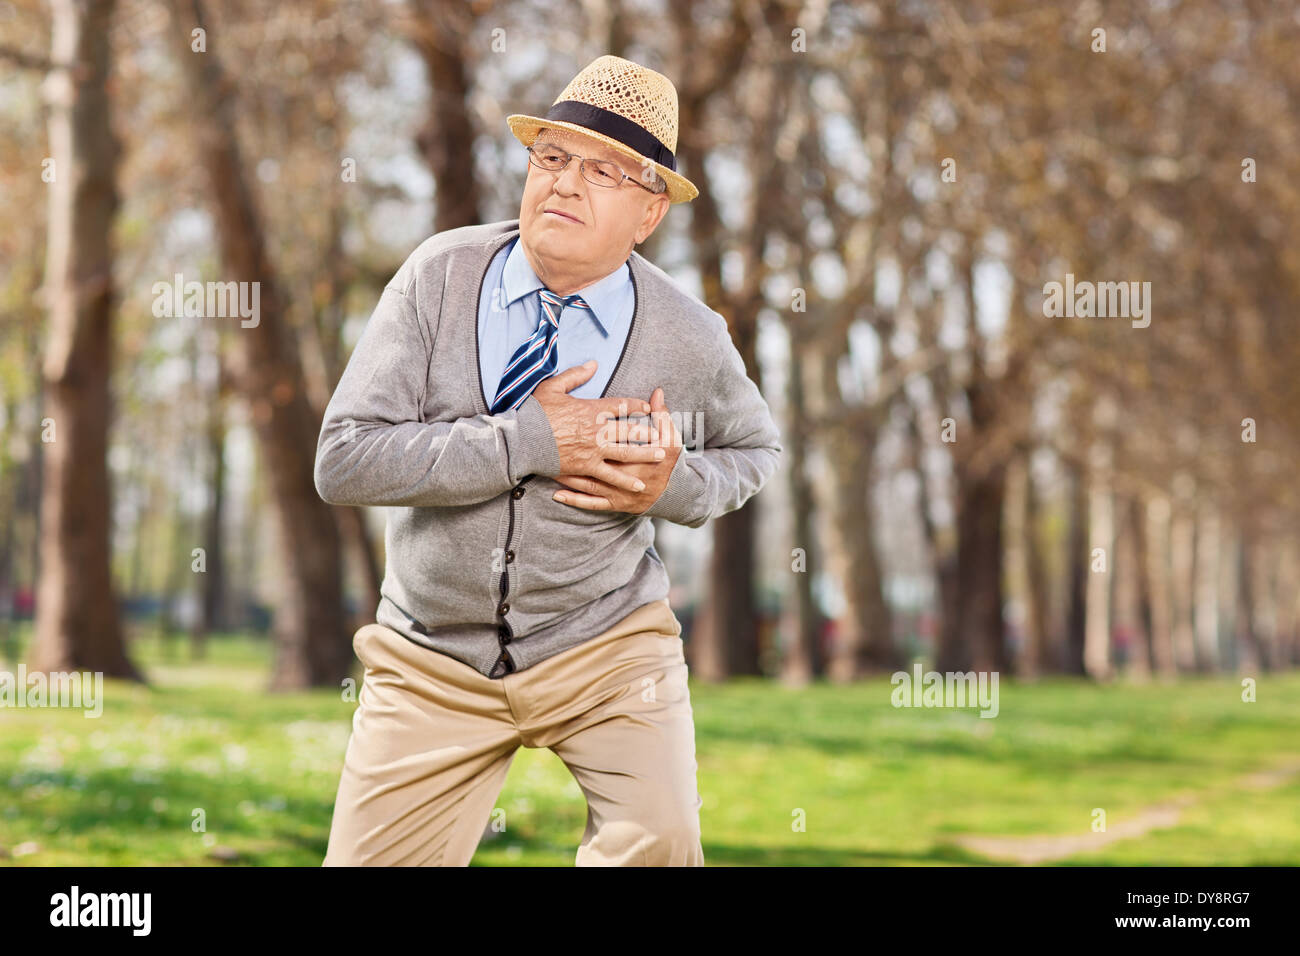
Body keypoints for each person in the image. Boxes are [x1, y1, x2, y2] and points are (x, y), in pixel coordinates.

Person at [315, 54, 781, 866]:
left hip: (606, 644)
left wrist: (677, 485)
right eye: (553, 158)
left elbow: (755, 449)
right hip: (431, 654)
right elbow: (344, 460)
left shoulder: (690, 333)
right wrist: (526, 439)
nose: (565, 184)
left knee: (661, 844)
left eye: (603, 170)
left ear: (649, 213)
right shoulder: (438, 279)